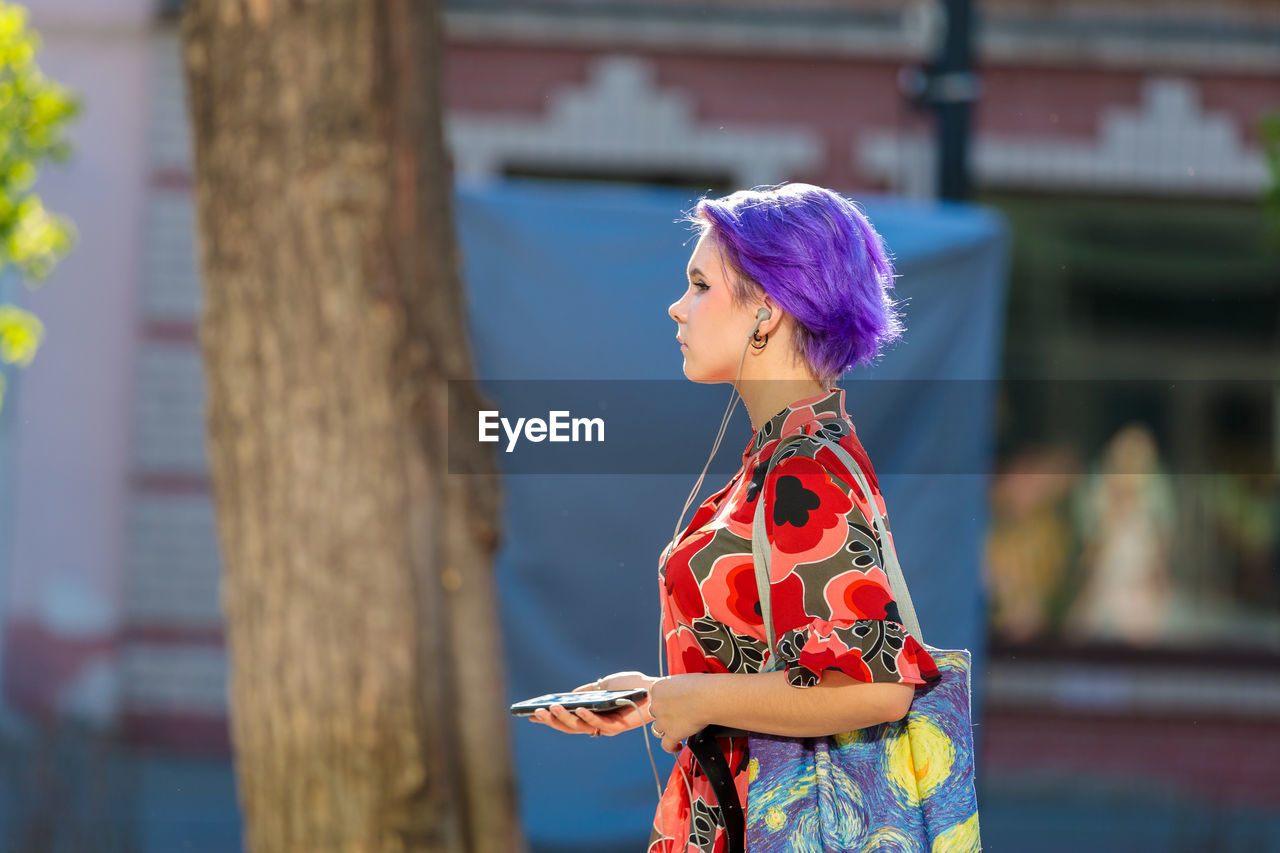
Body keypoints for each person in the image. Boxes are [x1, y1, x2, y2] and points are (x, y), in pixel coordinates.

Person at [526, 183, 942, 853]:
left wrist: (697, 698)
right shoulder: (784, 453)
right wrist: (659, 695)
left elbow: (880, 686)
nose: (676, 306)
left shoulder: (804, 467)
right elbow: (774, 663)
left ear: (768, 312)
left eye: (699, 285)